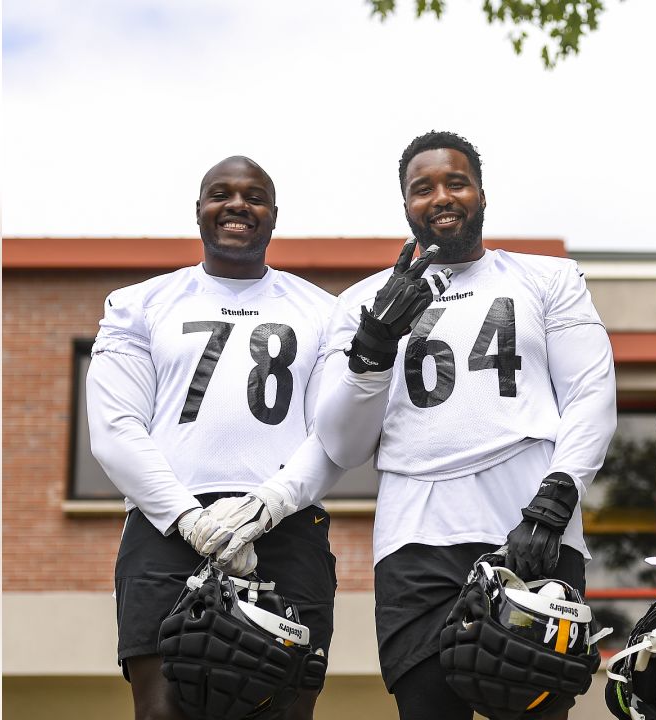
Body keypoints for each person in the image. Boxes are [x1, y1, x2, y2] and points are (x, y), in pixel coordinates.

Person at [87, 156, 437, 720]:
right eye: (219, 194)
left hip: (286, 526)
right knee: (162, 710)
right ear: (198, 210)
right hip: (165, 527)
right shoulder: (138, 304)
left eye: (254, 197)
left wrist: (267, 506)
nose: (236, 206)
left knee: (284, 707)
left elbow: (335, 435)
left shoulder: (325, 312)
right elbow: (113, 428)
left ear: (273, 216)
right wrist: (187, 518)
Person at [313, 130, 618, 720]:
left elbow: (591, 395)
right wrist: (373, 347)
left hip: (533, 521)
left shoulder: (548, 278)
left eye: (456, 182)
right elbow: (342, 444)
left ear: (481, 193)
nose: (441, 197)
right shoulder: (360, 301)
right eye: (422, 188)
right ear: (405, 205)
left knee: (532, 703)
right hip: (415, 533)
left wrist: (557, 497)